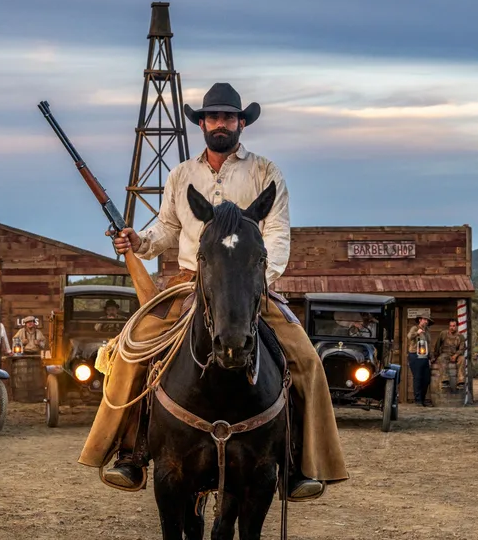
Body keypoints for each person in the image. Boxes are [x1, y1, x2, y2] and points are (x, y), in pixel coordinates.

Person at [88, 82, 347, 501]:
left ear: (242, 123)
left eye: (228, 117)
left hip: (250, 285)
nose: (220, 123)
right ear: (202, 124)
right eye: (213, 117)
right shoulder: (181, 175)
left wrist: (257, 281)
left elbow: (277, 234)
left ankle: (298, 464)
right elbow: (168, 229)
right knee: (131, 352)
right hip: (190, 283)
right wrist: (140, 241)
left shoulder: (266, 172)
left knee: (307, 361)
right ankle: (130, 453)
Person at [405, 315, 444, 407]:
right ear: (420, 320)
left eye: (427, 320)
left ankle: (422, 399)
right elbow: (409, 336)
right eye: (425, 319)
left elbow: (428, 345)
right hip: (415, 355)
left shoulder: (427, 331)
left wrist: (431, 356)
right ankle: (418, 400)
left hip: (424, 356)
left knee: (426, 379)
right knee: (418, 377)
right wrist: (417, 333)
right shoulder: (415, 328)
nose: (426, 321)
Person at [439, 319, 465, 394]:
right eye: (450, 326)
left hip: (456, 354)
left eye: (453, 326)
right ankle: (445, 381)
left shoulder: (460, 336)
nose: (452, 327)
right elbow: (438, 345)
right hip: (445, 354)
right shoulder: (443, 334)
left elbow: (462, 349)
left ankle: (460, 382)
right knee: (441, 358)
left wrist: (456, 355)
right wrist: (434, 356)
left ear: (457, 327)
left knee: (462, 358)